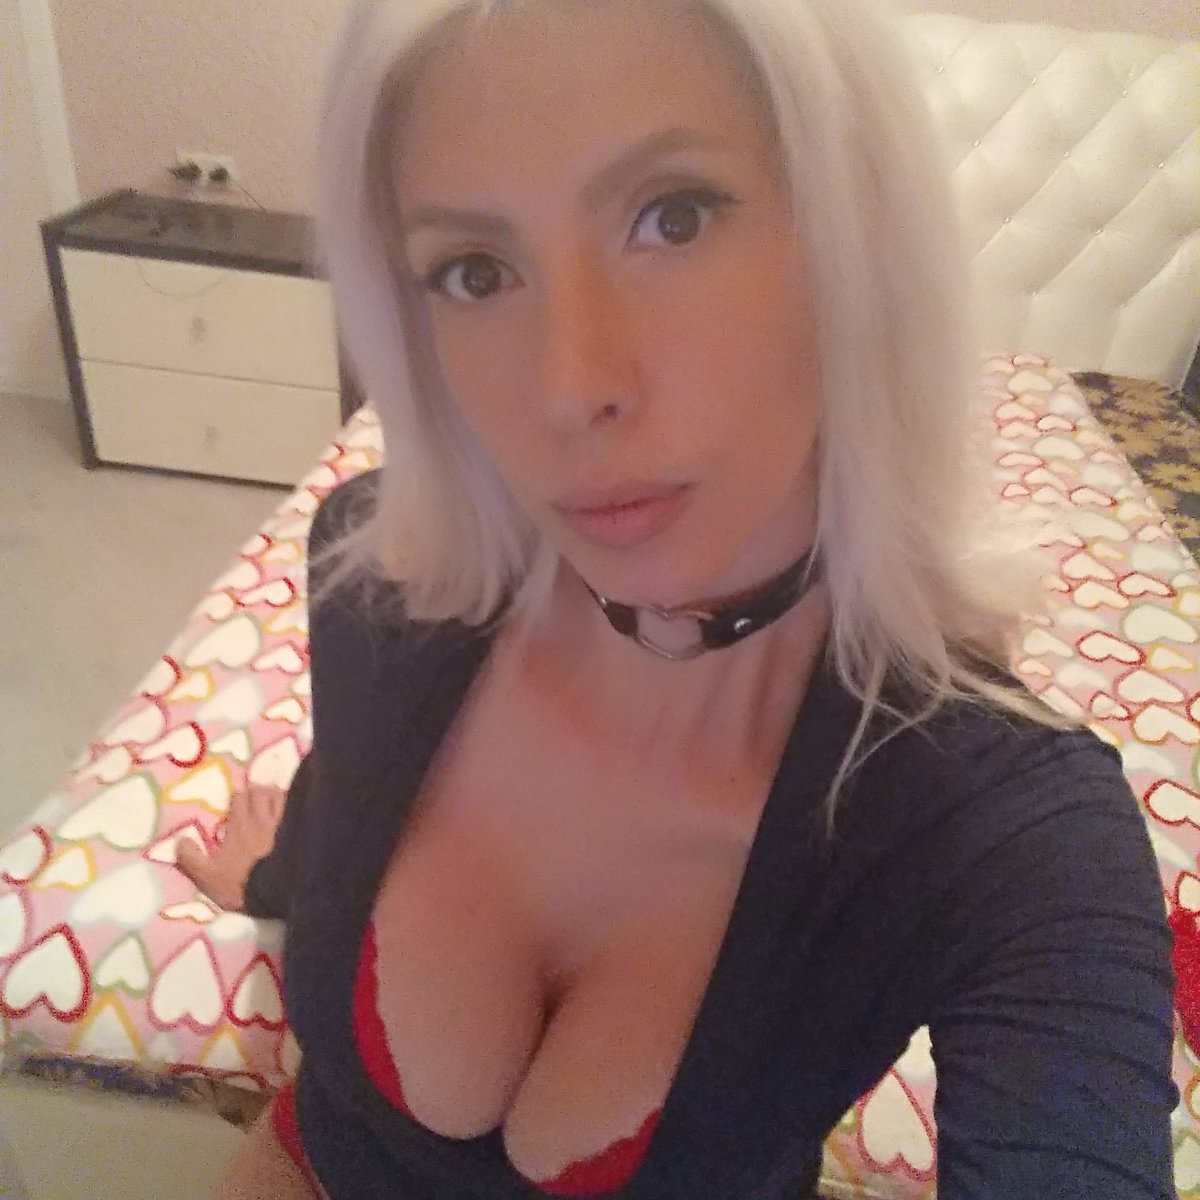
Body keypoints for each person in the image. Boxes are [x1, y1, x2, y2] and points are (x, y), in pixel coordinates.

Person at [176, 0, 1179, 1194]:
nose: (570, 388)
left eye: (675, 216)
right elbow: (353, 783)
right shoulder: (383, 580)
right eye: (475, 271)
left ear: (857, 239)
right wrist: (285, 876)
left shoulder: (1011, 840)